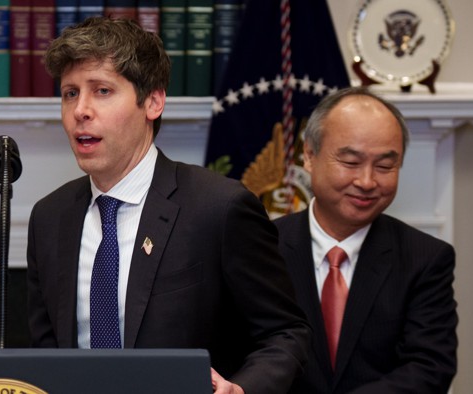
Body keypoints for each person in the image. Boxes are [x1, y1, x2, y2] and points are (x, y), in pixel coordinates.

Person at [26, 16, 310, 394]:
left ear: (154, 102)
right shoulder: (49, 217)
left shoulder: (219, 208)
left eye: (102, 91)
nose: (81, 110)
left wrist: (241, 389)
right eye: (70, 93)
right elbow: (45, 353)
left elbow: (285, 333)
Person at [274, 87, 458, 393]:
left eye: (385, 166)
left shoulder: (425, 258)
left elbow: (430, 367)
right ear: (309, 156)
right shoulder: (263, 247)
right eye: (350, 162)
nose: (367, 182)